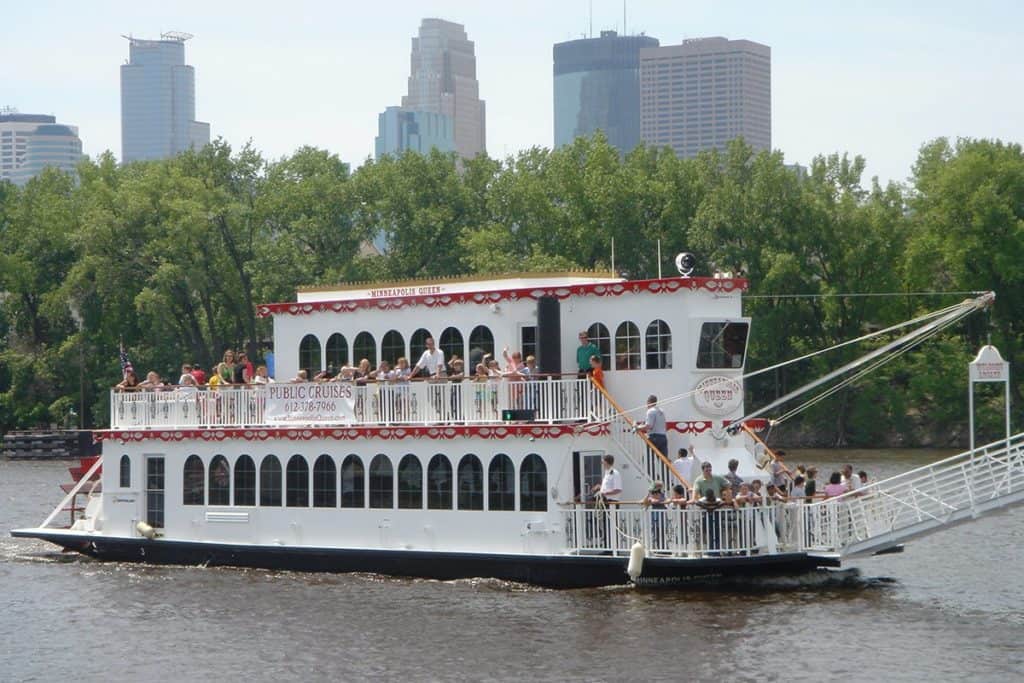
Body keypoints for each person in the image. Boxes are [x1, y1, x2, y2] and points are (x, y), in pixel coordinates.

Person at [636, 395, 668, 459]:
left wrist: (637, 428)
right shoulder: (661, 411)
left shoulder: (650, 411)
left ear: (648, 402)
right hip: (663, 437)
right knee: (663, 459)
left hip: (654, 437)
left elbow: (649, 426)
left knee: (648, 459)